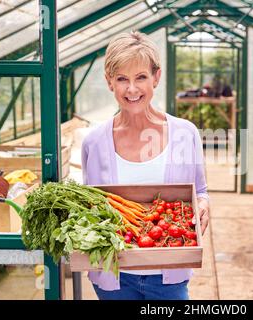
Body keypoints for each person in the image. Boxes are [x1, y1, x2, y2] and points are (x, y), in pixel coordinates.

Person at [81, 31, 210, 300]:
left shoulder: (185, 134)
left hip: (168, 275)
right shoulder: (94, 141)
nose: (132, 89)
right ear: (109, 83)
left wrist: (204, 204)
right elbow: (90, 202)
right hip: (113, 273)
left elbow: (200, 191)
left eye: (140, 77)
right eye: (122, 79)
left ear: (156, 77)